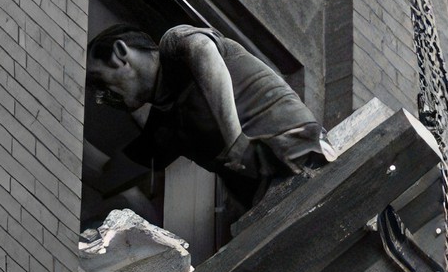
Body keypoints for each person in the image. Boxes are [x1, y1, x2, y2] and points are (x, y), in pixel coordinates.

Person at [85, 22, 336, 210]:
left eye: (98, 80)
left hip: (298, 152)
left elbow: (203, 51)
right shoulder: (164, 127)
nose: (101, 96)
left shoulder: (175, 46)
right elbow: (110, 177)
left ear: (119, 54)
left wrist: (235, 141)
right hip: (269, 200)